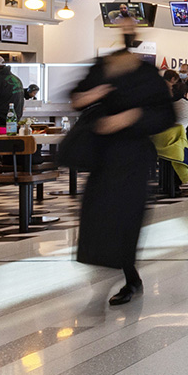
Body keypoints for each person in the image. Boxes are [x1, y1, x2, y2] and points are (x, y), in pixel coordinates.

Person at [70, 18, 173, 305]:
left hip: (134, 156)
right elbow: (75, 97)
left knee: (127, 214)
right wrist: (89, 96)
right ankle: (117, 271)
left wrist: (131, 117)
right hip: (103, 154)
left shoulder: (146, 75)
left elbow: (165, 115)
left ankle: (130, 277)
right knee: (98, 213)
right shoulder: (101, 67)